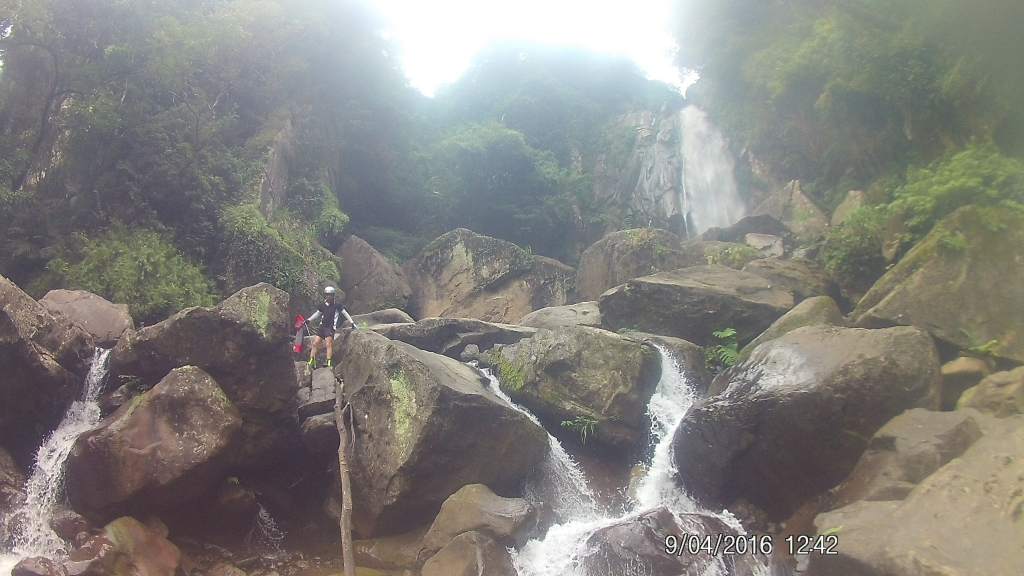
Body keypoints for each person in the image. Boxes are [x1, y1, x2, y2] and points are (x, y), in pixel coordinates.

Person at [307, 286, 356, 368]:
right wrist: (309, 320)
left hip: (330, 327)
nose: (328, 297)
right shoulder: (323, 304)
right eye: (327, 295)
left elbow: (344, 313)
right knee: (315, 343)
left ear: (333, 295)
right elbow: (317, 313)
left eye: (330, 295)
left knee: (328, 344)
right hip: (322, 326)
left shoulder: (337, 305)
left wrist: (351, 322)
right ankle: (311, 360)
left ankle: (328, 361)